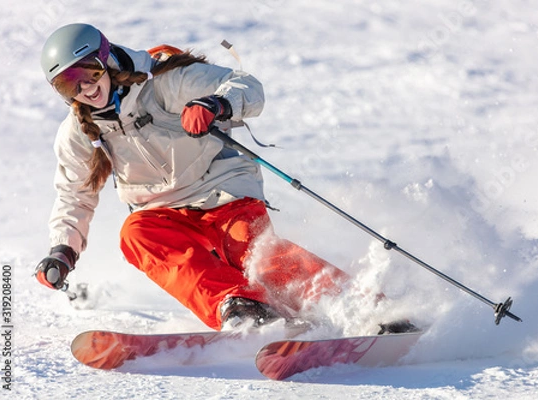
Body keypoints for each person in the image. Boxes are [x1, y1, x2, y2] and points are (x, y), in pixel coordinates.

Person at [35, 23, 415, 334]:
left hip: (223, 191)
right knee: (135, 234)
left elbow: (246, 85)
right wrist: (62, 250)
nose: (84, 88)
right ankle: (241, 305)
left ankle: (368, 308)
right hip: (163, 212)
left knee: (251, 253)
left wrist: (215, 104)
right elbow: (74, 196)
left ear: (106, 61)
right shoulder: (79, 132)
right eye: (68, 84)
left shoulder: (163, 80)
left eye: (88, 73)